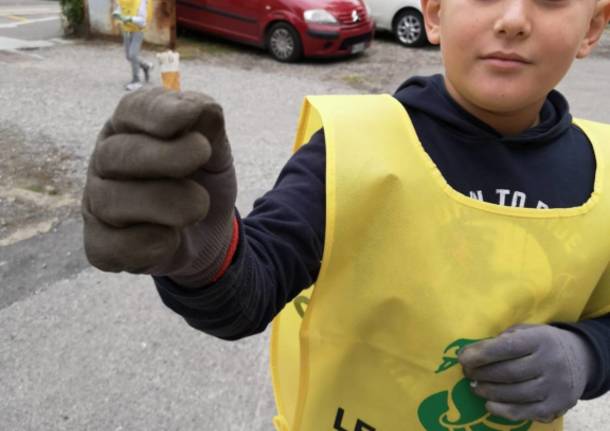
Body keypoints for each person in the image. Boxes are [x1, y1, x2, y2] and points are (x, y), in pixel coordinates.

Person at [82, 0, 610, 429]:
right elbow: (250, 291)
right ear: (433, 13)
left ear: (592, 26)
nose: (514, 18)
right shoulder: (353, 146)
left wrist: (587, 354)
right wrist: (206, 257)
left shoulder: (604, 172)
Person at [113, 0, 153, 91]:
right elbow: (120, 9)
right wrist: (116, 14)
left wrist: (130, 19)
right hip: (126, 30)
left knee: (133, 54)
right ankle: (146, 66)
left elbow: (143, 20)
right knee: (128, 56)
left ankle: (136, 81)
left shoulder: (140, 2)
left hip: (138, 30)